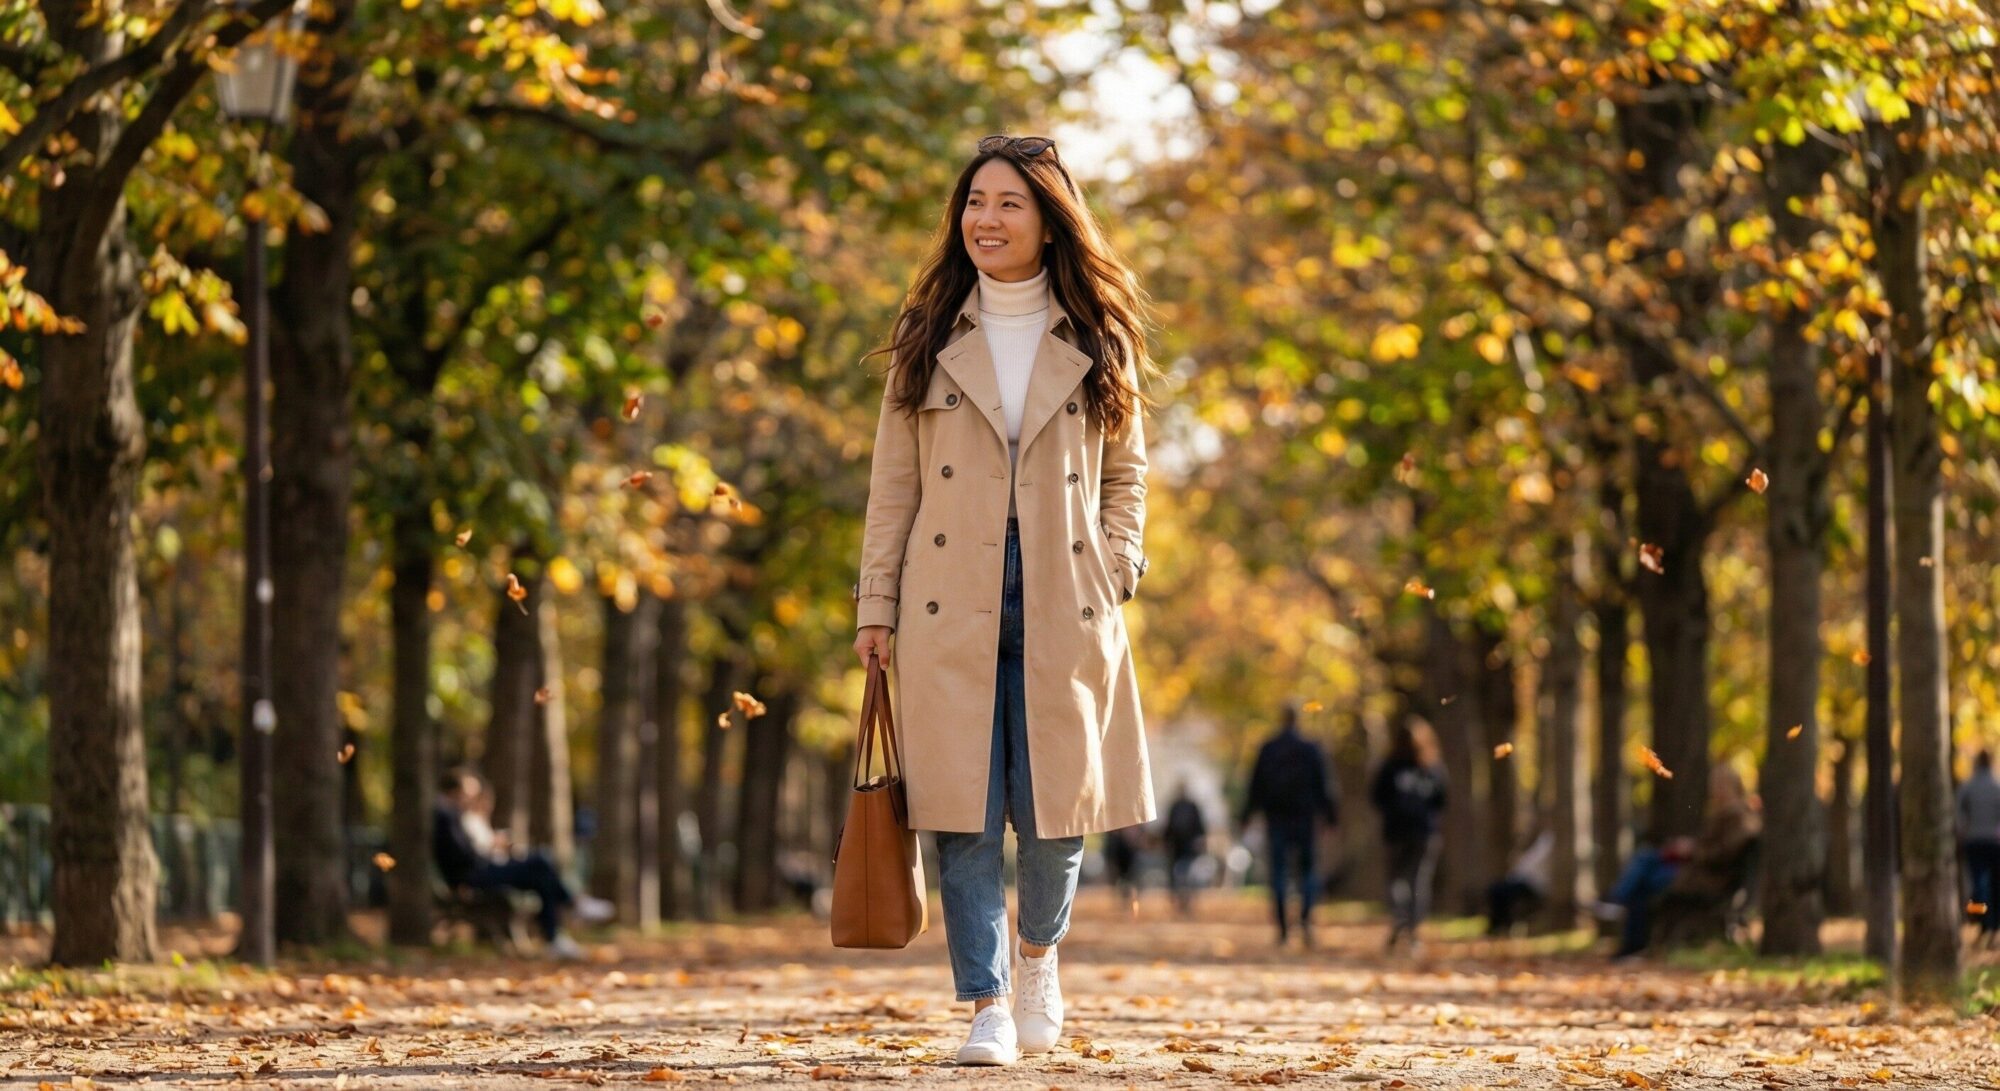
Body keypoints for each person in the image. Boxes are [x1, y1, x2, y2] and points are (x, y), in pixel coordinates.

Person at [852, 133, 1157, 1068]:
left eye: (1008, 203)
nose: (985, 219)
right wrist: (876, 603)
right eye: (975, 202)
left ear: (1048, 218)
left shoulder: (1099, 335)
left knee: (1057, 804)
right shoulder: (928, 337)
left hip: (1067, 590)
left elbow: (1129, 473)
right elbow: (893, 486)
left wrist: (1118, 559)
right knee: (962, 806)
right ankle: (985, 1001)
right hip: (949, 592)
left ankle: (1038, 956)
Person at [433, 768, 612, 959]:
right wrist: (491, 848)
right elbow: (462, 855)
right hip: (472, 876)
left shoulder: (455, 814)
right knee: (541, 861)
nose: (471, 799)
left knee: (541, 875)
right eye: (468, 793)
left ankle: (557, 935)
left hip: (479, 871)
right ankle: (573, 907)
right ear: (454, 791)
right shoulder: (446, 814)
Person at [1603, 765, 1759, 957]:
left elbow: (1723, 854)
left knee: (1644, 881)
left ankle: (1620, 907)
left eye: (1720, 785)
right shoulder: (1724, 814)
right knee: (1647, 859)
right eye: (1714, 785)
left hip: (1708, 879)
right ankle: (1621, 907)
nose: (1715, 790)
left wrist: (1692, 850)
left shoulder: (1739, 817)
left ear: (1733, 786)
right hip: (1698, 872)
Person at [1239, 704, 1340, 947]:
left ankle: (1284, 928)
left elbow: (1256, 785)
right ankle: (1305, 920)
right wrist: (1331, 817)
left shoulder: (1269, 749)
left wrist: (1247, 816)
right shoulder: (1311, 749)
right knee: (1308, 872)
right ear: (1299, 720)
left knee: (1279, 873)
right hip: (1305, 818)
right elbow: (1325, 785)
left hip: (1277, 819)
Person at [1370, 721, 1447, 954]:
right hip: (1424, 832)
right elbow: (1442, 799)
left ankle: (1400, 918)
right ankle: (1412, 930)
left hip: (1396, 831)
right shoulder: (1432, 766)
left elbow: (1376, 797)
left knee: (1396, 879)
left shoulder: (1390, 766)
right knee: (1418, 880)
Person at [1960, 751, 2000, 945]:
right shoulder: (1997, 787)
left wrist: (1963, 832)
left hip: (1974, 841)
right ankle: (1994, 926)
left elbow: (1958, 814)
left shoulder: (1967, 787)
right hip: (1995, 842)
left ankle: (1982, 922)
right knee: (1995, 885)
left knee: (1978, 885)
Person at [1486, 827, 1553, 936]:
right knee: (1496, 889)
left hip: (1534, 884)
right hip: (1523, 879)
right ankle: (1499, 924)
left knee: (1499, 891)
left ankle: (1500, 925)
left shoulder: (1550, 841)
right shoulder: (1544, 838)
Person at [1162, 788, 1209, 917]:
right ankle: (1183, 900)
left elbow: (1168, 827)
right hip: (1181, 848)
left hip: (1182, 848)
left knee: (1183, 875)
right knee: (1184, 875)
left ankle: (1184, 900)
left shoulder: (1178, 806)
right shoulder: (1183, 806)